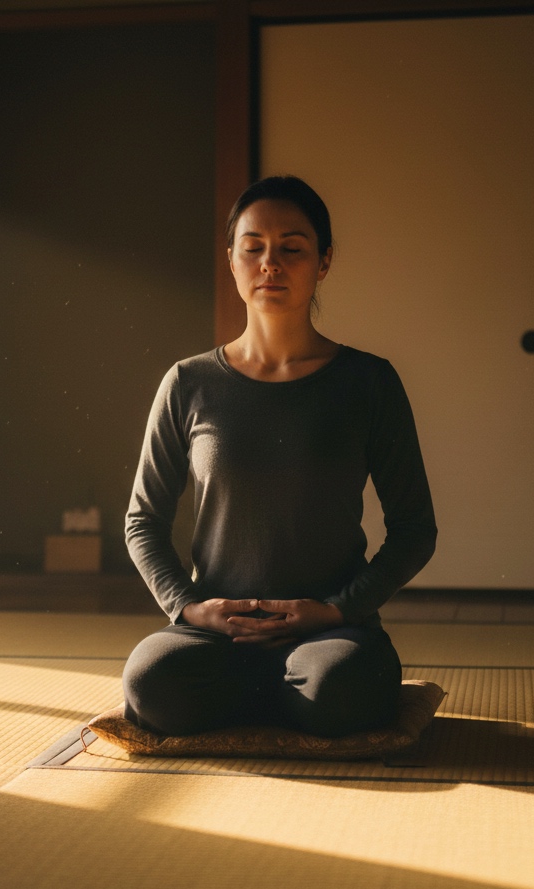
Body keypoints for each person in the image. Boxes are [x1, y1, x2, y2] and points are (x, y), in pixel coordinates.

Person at [122, 175, 437, 738]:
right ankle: (275, 696)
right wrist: (191, 609)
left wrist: (339, 610)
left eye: (292, 248)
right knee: (151, 681)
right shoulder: (188, 383)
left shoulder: (368, 382)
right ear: (233, 260)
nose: (272, 263)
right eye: (254, 248)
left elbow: (415, 528)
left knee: (341, 687)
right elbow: (143, 521)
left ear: (323, 262)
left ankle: (280, 692)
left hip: (330, 634)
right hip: (217, 632)